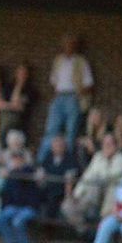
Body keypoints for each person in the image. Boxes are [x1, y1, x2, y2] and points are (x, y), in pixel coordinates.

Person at [38, 34, 93, 162]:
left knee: (71, 131)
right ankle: (42, 161)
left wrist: (78, 92)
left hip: (73, 97)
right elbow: (54, 81)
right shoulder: (58, 60)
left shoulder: (81, 61)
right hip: (59, 97)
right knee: (51, 130)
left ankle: (67, 161)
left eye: (71, 44)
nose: (68, 46)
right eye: (66, 44)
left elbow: (89, 84)